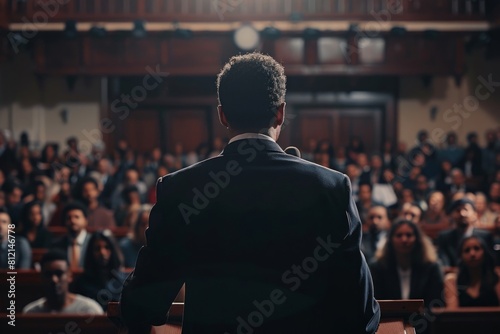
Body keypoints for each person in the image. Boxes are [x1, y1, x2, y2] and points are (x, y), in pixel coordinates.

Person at [120, 53, 380, 334]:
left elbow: (142, 306)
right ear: (281, 112)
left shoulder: (180, 188)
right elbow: (360, 312)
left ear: (222, 114)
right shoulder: (331, 186)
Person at [370, 219, 443, 309]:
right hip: (388, 320)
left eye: (409, 235)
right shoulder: (378, 267)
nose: (404, 240)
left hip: (423, 320)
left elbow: (435, 303)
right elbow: (376, 303)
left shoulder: (431, 267)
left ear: (417, 239)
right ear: (390, 240)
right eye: (399, 235)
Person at [23, 249, 103, 314]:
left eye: (59, 274)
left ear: (70, 276)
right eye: (48, 274)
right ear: (41, 277)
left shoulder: (89, 310)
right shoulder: (31, 313)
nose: (54, 280)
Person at [71, 231, 127, 311]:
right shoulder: (81, 283)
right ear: (91, 252)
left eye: (107, 247)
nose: (102, 252)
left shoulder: (122, 281)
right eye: (97, 249)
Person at [444, 236, 500, 307]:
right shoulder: (452, 281)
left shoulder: (497, 278)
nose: (472, 254)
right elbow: (452, 315)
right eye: (467, 250)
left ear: (485, 252)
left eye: (476, 248)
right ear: (461, 256)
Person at [437, 198, 494, 267]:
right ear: (452, 215)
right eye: (458, 210)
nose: (462, 214)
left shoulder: (485, 237)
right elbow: (444, 261)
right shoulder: (444, 237)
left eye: (466, 209)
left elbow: (490, 262)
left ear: (474, 214)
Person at [51, 202, 92, 270]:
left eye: (77, 217)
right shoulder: (57, 244)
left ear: (85, 220)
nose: (72, 221)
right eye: (69, 218)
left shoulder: (93, 242)